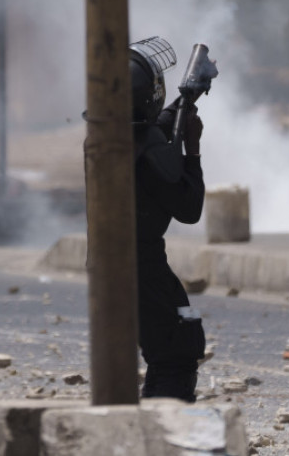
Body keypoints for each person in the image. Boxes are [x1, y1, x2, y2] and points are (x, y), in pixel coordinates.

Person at [129, 36, 207, 402]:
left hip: (117, 263)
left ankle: (151, 429)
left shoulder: (110, 137)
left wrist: (184, 101)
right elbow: (189, 209)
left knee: (163, 354)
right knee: (179, 350)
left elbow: (151, 126)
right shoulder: (151, 149)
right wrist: (193, 149)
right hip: (143, 265)